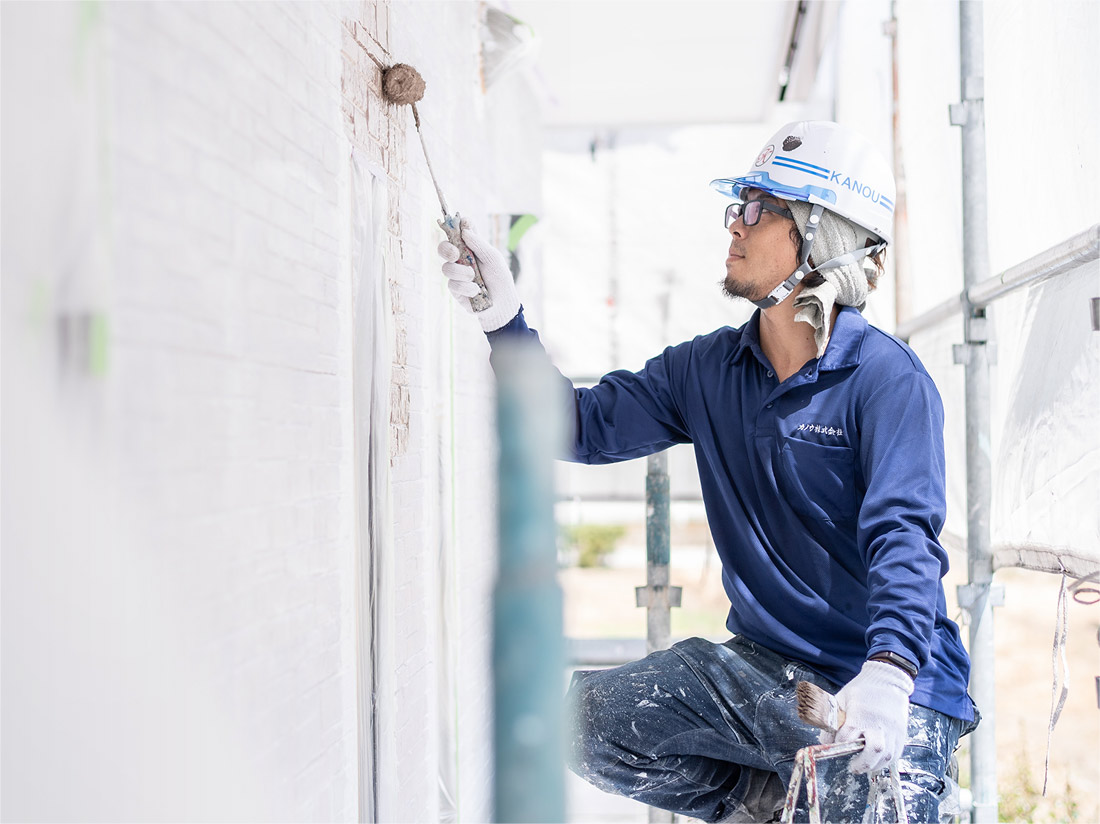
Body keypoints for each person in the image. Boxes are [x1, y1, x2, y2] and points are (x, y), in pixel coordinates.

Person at [439, 120, 977, 823]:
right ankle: (768, 803)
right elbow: (578, 425)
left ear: (822, 236)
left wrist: (889, 673)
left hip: (883, 686)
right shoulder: (707, 369)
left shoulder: (885, 380)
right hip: (764, 670)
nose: (735, 227)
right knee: (584, 720)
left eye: (759, 209)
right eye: (738, 206)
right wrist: (504, 321)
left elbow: (903, 539)